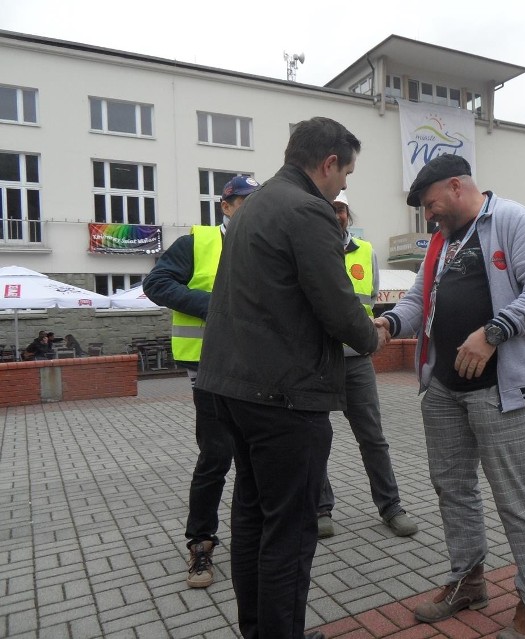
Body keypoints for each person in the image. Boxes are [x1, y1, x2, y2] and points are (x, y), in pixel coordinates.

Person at [195, 117, 387, 639]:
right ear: (327, 164)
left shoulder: (254, 203)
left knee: (253, 519)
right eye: (345, 173)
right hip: (281, 397)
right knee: (290, 533)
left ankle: (259, 630)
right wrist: (371, 338)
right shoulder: (308, 210)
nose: (344, 184)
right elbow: (336, 304)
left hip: (229, 389)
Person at [376, 155, 525, 639]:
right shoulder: (441, 240)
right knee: (452, 486)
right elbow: (418, 301)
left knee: (515, 496)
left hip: (501, 387)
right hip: (443, 386)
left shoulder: (514, 220)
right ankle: (470, 580)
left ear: (457, 186)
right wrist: (387, 324)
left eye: (432, 204)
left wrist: (494, 332)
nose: (429, 216)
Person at [143, 174, 260, 589]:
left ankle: (256, 540)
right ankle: (201, 544)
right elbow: (155, 283)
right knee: (216, 456)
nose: (253, 207)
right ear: (225, 206)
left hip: (259, 368)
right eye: (245, 201)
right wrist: (215, 306)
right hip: (209, 368)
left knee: (256, 457)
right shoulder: (199, 241)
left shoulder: (269, 245)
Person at [316, 191, 418, 539]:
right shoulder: (308, 246)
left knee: (373, 437)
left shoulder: (366, 252)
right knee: (316, 439)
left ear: (348, 214)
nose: (336, 214)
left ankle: (390, 506)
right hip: (316, 360)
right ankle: (320, 508)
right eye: (329, 208)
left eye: (341, 209)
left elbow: (369, 303)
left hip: (356, 361)